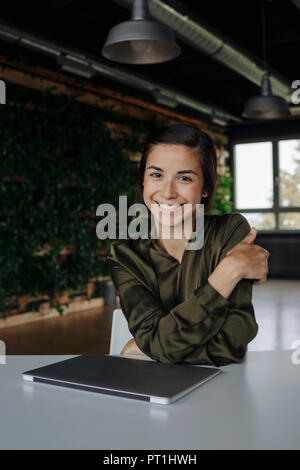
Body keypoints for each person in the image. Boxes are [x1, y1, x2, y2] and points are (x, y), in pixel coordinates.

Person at [106, 123, 269, 366]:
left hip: (223, 388)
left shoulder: (230, 231)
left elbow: (232, 342)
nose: (168, 192)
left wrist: (153, 347)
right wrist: (228, 272)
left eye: (184, 177)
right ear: (143, 181)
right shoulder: (125, 255)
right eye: (156, 174)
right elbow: (159, 341)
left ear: (204, 187)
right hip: (153, 386)